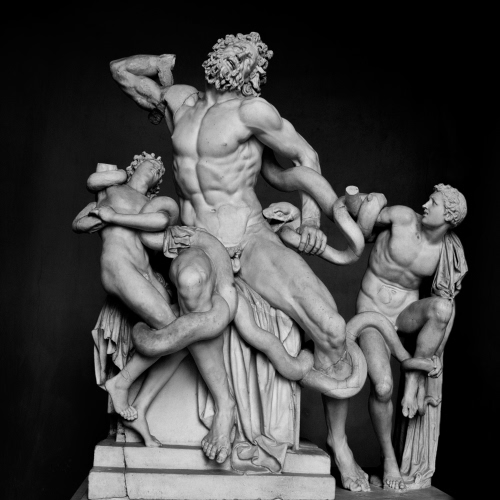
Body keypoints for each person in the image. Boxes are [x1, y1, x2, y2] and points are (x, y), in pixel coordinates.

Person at [109, 31, 371, 464]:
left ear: (254, 72)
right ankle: (225, 406)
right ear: (216, 54)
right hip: (199, 238)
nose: (235, 60)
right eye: (231, 51)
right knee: (191, 284)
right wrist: (157, 62)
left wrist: (309, 220)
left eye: (246, 58)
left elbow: (306, 157)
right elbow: (121, 71)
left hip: (251, 238)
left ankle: (339, 443)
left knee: (330, 325)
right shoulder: (179, 100)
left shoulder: (252, 111)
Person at [73, 153, 237, 458]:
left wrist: (113, 217)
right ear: (135, 166)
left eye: (159, 172)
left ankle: (141, 406)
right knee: (177, 331)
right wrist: (101, 213)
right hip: (119, 266)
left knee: (181, 337)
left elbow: (161, 222)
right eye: (151, 166)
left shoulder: (151, 204)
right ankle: (121, 384)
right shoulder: (111, 191)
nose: (155, 172)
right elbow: (79, 223)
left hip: (145, 273)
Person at [325, 184, 467, 492]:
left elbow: (447, 307)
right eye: (428, 199)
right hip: (372, 313)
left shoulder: (445, 251)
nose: (425, 204)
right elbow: (359, 218)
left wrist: (433, 358)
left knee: (442, 308)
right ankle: (389, 457)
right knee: (383, 387)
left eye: (434, 203)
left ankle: (413, 377)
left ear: (449, 216)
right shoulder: (402, 217)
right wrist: (366, 199)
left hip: (405, 315)